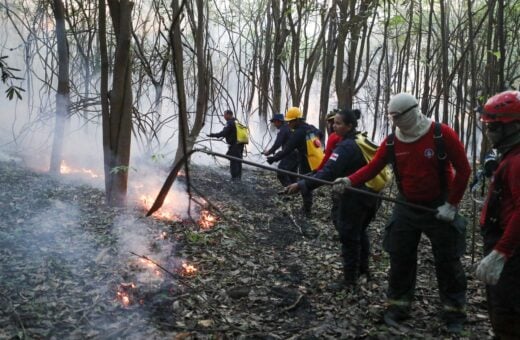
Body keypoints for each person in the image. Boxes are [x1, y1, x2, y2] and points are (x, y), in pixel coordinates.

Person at [334, 93, 471, 333]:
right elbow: (373, 167)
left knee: (448, 260)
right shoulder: (392, 142)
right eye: (392, 117)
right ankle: (398, 305)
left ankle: (454, 312)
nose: (394, 122)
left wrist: (452, 204)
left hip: (440, 205)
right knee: (400, 255)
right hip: (406, 204)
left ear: (412, 112)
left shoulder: (442, 134)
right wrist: (348, 180)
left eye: (397, 117)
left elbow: (464, 169)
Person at [286, 108, 380, 287]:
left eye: (338, 123)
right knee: (360, 232)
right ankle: (363, 271)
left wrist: (301, 185)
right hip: (370, 195)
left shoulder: (346, 147)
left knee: (349, 235)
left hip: (355, 198)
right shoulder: (358, 140)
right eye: (332, 122)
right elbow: (326, 169)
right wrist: (308, 178)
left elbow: (329, 173)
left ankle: (349, 280)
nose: (333, 126)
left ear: (349, 125)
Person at [475, 90, 520, 339]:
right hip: (505, 245)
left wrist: (501, 252)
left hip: (511, 251)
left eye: (494, 127)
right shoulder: (509, 156)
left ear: (512, 127)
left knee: (507, 310)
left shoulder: (517, 162)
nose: (490, 133)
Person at [267, 107, 318, 217]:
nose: (288, 123)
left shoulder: (299, 132)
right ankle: (302, 203)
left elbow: (287, 149)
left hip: (306, 160)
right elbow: (320, 135)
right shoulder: (310, 128)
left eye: (290, 121)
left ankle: (306, 210)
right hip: (311, 159)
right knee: (301, 179)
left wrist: (273, 158)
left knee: (305, 183)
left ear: (297, 120)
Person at [207, 109, 245, 181]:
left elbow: (223, 133)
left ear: (229, 115)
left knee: (233, 161)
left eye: (225, 115)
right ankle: (238, 178)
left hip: (234, 145)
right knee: (239, 161)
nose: (224, 117)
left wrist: (212, 135)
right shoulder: (237, 121)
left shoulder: (230, 123)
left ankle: (234, 179)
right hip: (241, 144)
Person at [262, 113, 298, 186]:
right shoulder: (290, 128)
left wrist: (269, 152)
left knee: (281, 172)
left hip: (289, 155)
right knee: (292, 175)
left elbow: (277, 143)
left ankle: (289, 191)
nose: (274, 124)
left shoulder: (283, 130)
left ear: (279, 121)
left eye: (274, 122)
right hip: (297, 155)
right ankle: (294, 193)